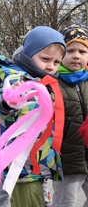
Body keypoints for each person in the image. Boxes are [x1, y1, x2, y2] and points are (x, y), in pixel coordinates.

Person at [0, 26, 66, 207]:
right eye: (45, 59)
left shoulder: (43, 81)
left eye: (56, 62)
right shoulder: (16, 78)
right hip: (21, 164)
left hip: (36, 161)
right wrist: (10, 100)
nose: (50, 66)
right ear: (28, 55)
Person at [52, 24, 88, 207]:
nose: (76, 55)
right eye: (71, 50)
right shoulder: (51, 82)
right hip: (67, 160)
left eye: (82, 51)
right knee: (65, 203)